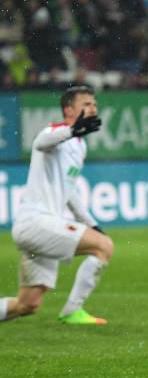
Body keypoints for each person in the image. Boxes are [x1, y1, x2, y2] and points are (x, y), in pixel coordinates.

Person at [0, 85, 113, 325]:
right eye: (86, 104)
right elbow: (40, 142)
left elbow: (69, 190)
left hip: (41, 226)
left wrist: (92, 224)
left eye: (94, 104)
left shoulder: (79, 145)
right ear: (68, 109)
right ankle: (73, 310)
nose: (92, 108)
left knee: (27, 304)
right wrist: (72, 130)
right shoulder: (57, 132)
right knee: (103, 247)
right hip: (36, 222)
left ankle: (70, 311)